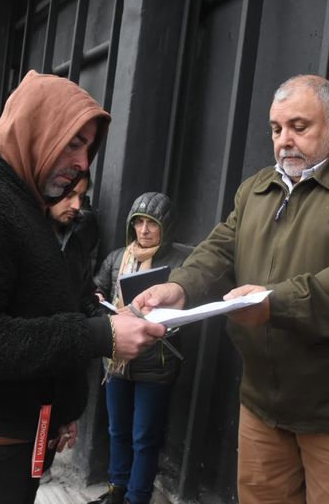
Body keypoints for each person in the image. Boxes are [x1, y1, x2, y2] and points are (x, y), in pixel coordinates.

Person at [135, 75, 329, 504]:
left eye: (299, 126)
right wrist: (178, 287)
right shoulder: (255, 189)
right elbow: (220, 248)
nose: (284, 140)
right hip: (262, 406)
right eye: (276, 129)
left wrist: (276, 303)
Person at [0, 70, 166, 504]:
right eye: (72, 142)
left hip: (18, 434)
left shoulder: (24, 201)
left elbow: (43, 299)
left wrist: (58, 402)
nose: (83, 163)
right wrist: (100, 336)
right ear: (35, 129)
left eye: (89, 147)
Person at [89, 192, 188, 504]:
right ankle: (117, 489)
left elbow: (185, 312)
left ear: (166, 227)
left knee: (144, 438)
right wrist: (100, 304)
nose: (144, 230)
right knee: (117, 429)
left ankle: (137, 497)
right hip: (117, 359)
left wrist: (160, 320)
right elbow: (97, 290)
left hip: (154, 364)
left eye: (152, 224)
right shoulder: (117, 258)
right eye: (139, 222)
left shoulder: (177, 264)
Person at [48, 170, 101, 318]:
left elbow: (85, 298)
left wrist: (110, 323)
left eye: (81, 197)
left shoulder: (75, 242)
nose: (76, 205)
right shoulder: (24, 232)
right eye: (69, 195)